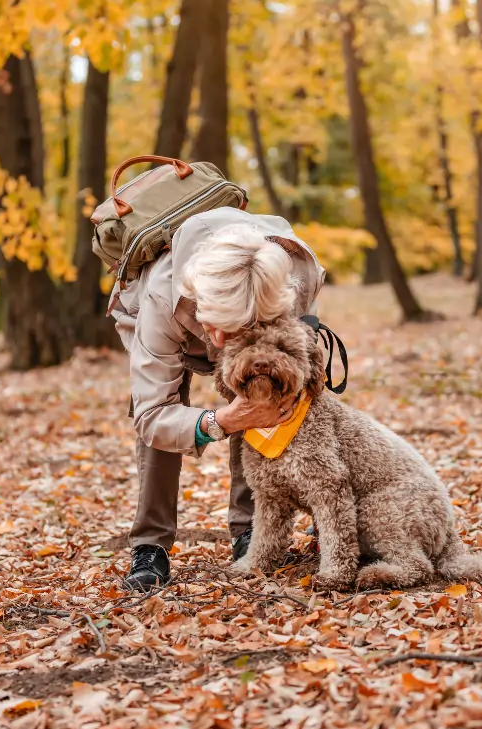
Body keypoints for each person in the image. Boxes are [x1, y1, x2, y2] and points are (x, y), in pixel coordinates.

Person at [109, 206, 325, 591]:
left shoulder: (297, 276)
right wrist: (218, 422)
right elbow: (152, 414)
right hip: (167, 321)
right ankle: (149, 544)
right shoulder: (162, 298)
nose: (221, 343)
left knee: (263, 397)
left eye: (235, 330)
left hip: (248, 309)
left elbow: (303, 358)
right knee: (164, 418)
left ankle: (250, 531)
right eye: (216, 328)